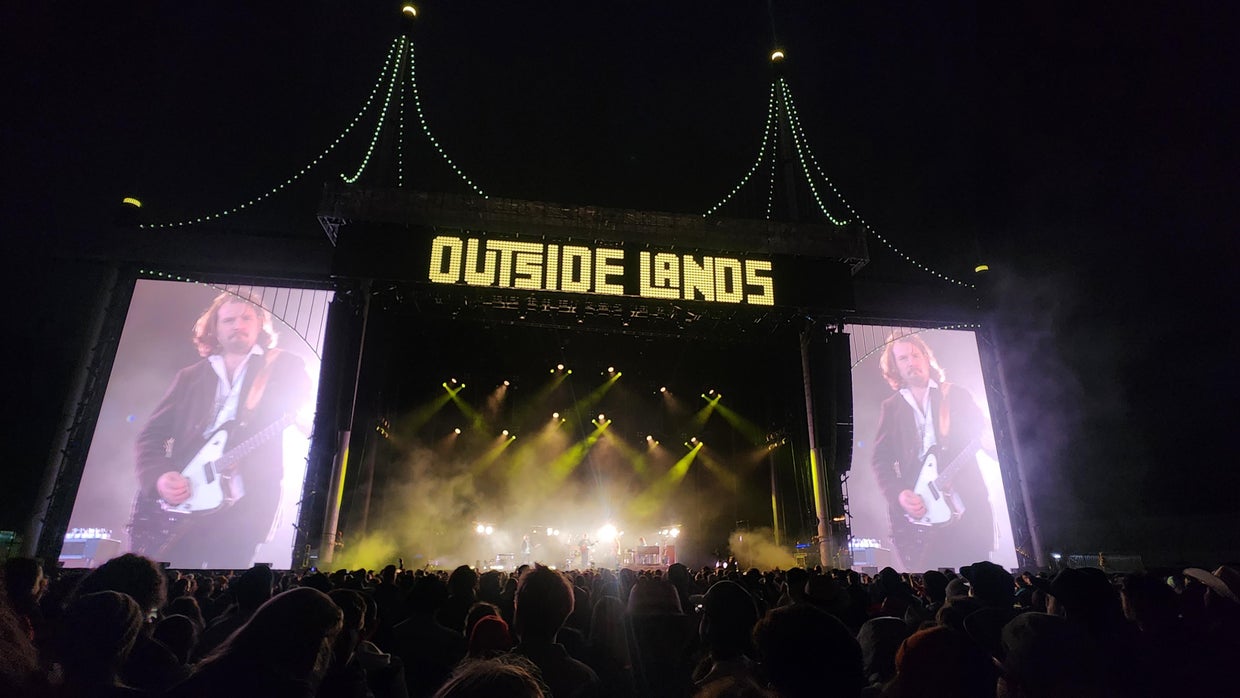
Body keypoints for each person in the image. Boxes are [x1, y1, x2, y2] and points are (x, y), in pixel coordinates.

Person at [128, 292, 311, 569]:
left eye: (246, 318)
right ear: (214, 328)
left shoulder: (284, 366)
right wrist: (160, 476)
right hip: (184, 502)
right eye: (228, 320)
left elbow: (306, 402)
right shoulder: (190, 376)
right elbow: (151, 435)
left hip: (244, 505)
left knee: (226, 586)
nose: (238, 325)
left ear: (260, 323)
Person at [871, 333, 994, 570]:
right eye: (903, 358)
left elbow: (988, 438)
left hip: (967, 508)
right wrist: (899, 494)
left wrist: (991, 444)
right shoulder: (892, 407)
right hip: (921, 516)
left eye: (915, 355)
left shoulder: (956, 395)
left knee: (978, 576)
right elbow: (880, 460)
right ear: (895, 366)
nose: (911, 362)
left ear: (926, 358)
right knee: (933, 584)